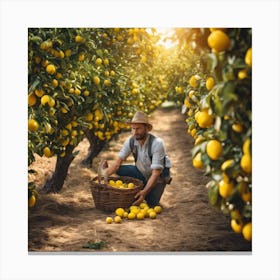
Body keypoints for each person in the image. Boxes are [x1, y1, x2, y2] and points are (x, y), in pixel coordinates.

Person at [104, 111, 171, 207]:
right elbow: (117, 163)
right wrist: (104, 176)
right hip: (141, 172)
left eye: (138, 129)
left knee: (151, 203)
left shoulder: (157, 143)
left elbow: (156, 173)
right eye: (133, 129)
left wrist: (144, 192)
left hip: (157, 178)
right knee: (119, 169)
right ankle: (140, 185)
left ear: (146, 128)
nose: (135, 132)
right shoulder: (131, 141)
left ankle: (145, 189)